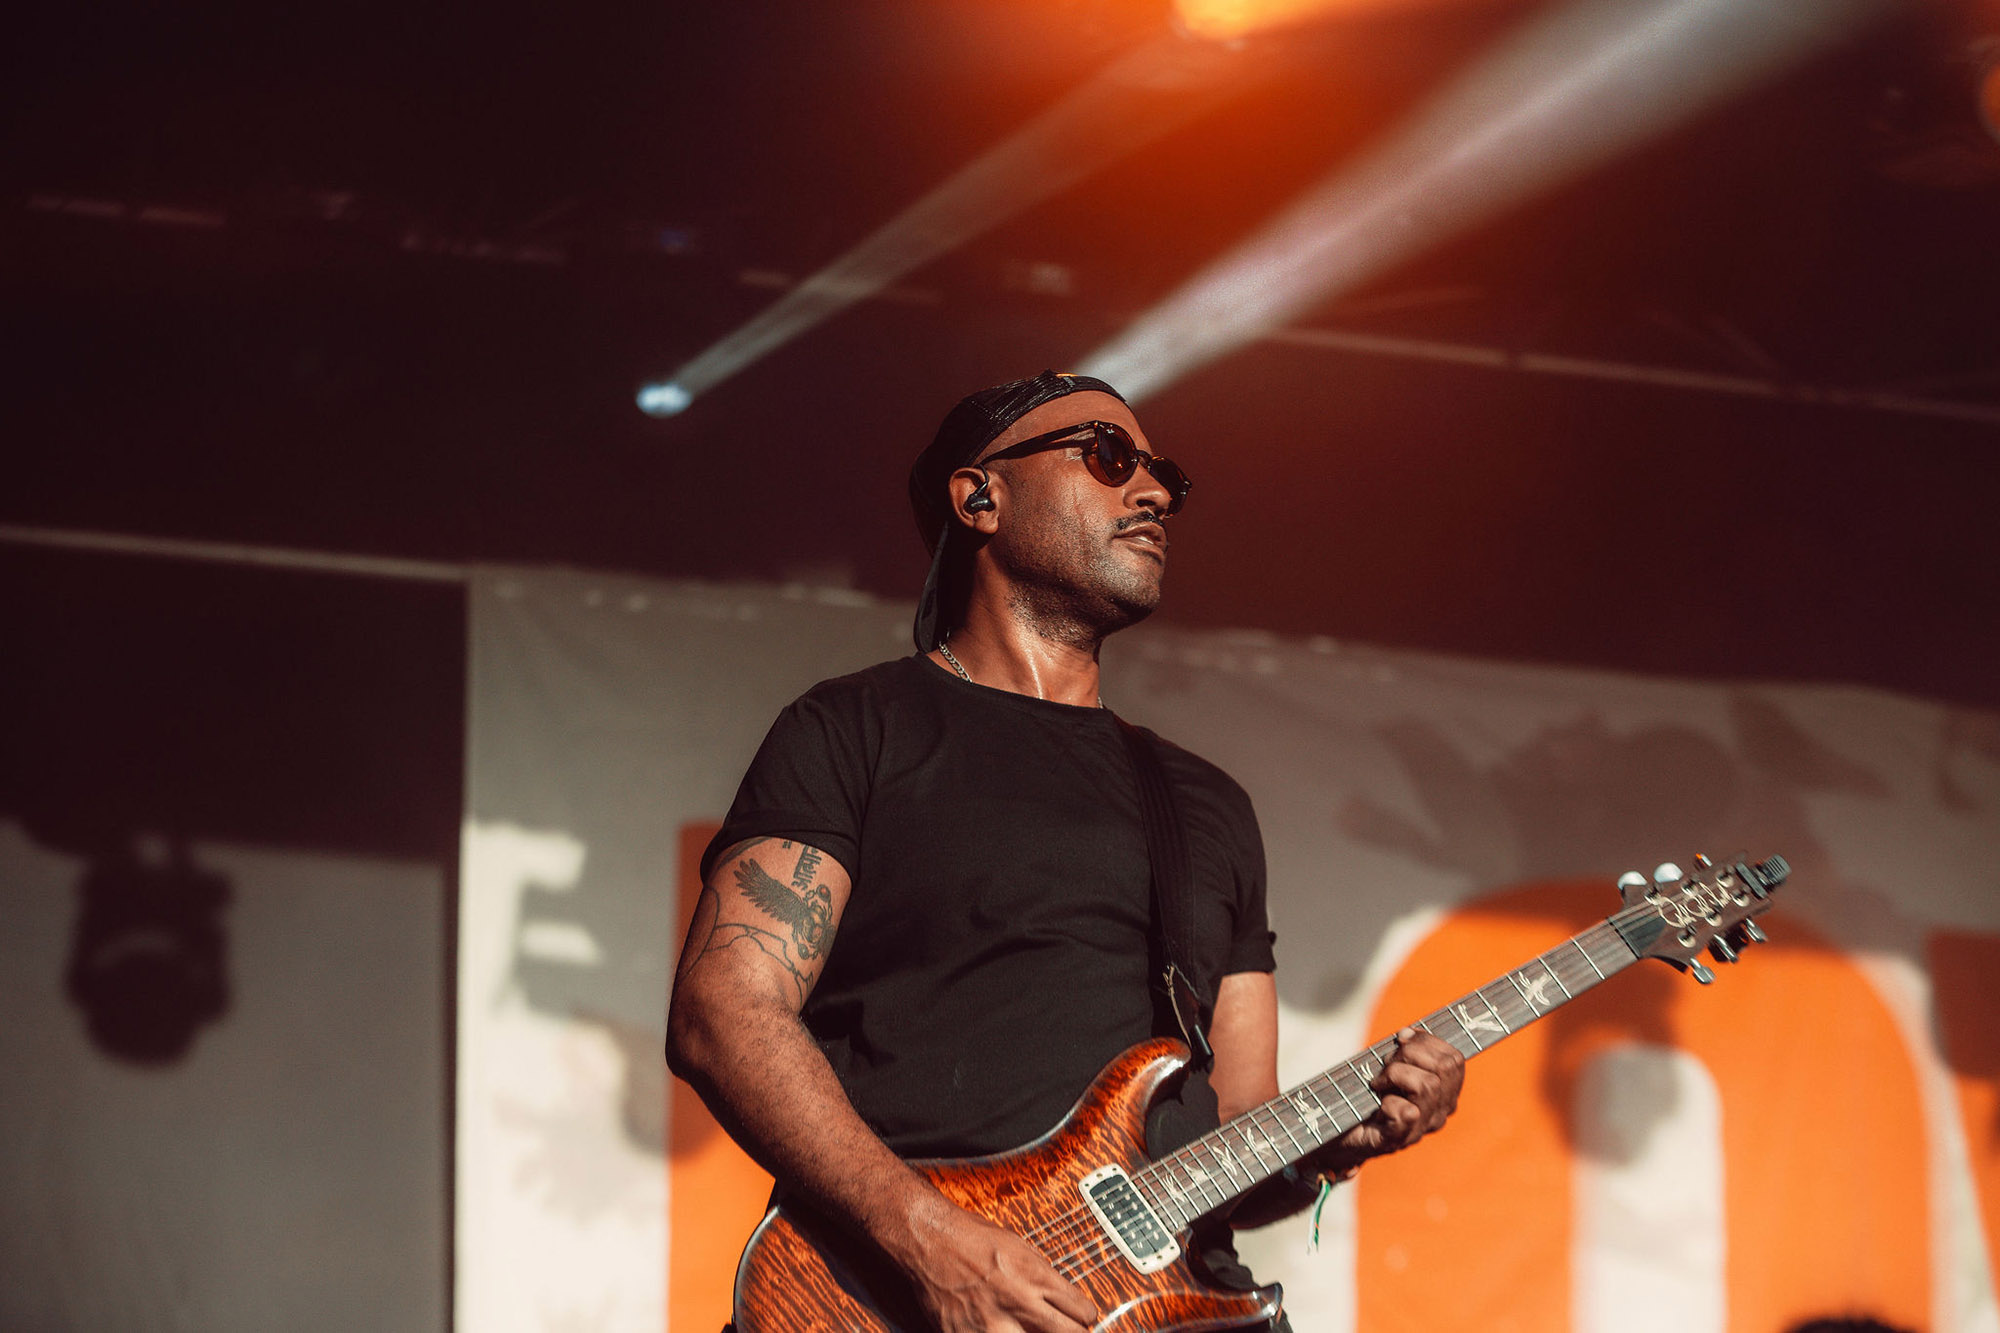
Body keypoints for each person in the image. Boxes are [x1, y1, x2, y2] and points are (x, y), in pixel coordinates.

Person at [666, 370, 1465, 1333]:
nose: (1155, 492)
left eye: (1164, 474)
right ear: (980, 497)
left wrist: (1339, 1142)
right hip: (894, 1299)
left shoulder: (1207, 805)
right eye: (1109, 457)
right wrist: (927, 1239)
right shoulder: (855, 730)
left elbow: (1233, 1137)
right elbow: (723, 1008)